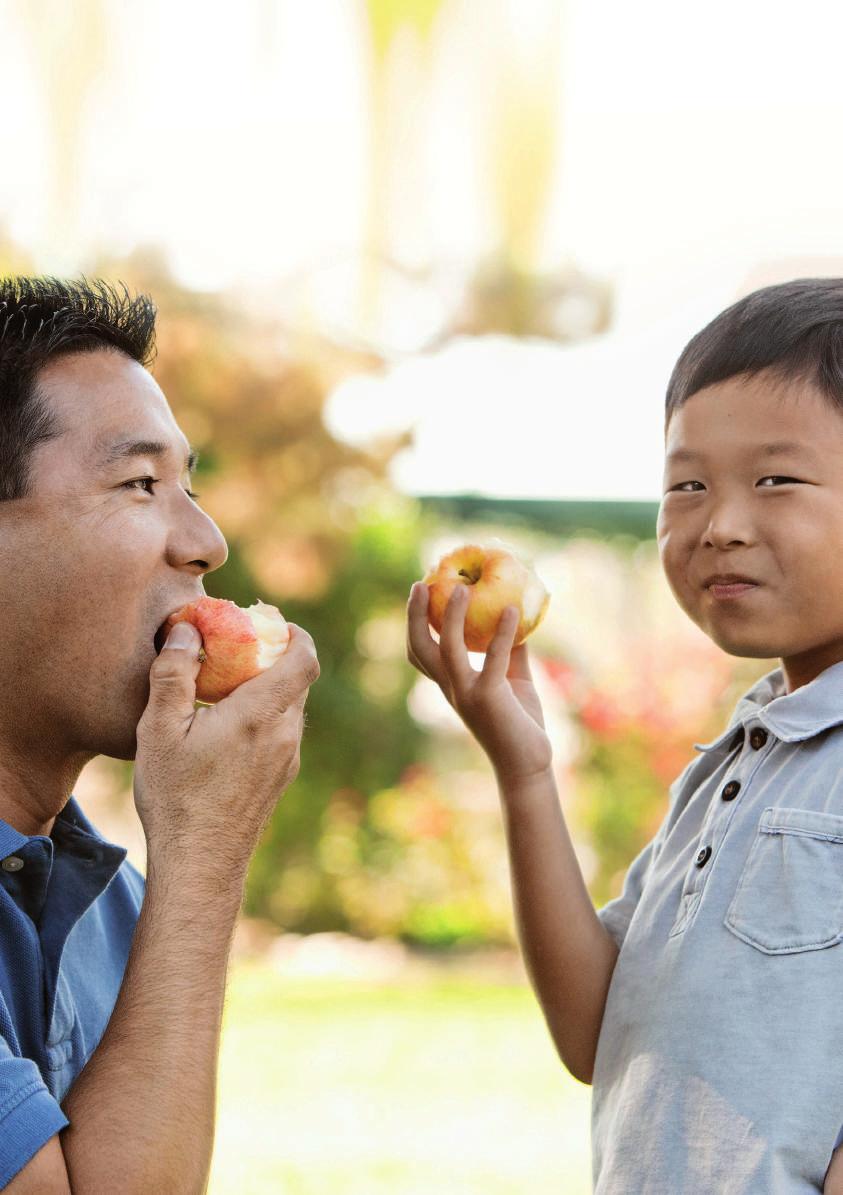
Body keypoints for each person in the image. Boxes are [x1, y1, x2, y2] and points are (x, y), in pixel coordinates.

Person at [407, 276, 843, 1193]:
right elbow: (592, 1031)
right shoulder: (737, 763)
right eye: (685, 484)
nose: (718, 524)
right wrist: (523, 767)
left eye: (775, 479)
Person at [0, 276, 320, 1192]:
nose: (209, 541)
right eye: (140, 482)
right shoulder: (173, 884)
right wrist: (209, 846)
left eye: (191, 484)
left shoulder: (116, 904)